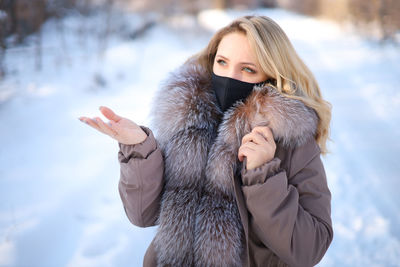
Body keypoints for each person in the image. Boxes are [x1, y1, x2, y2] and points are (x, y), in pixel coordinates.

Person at [79, 15, 333, 267]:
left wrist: (263, 176)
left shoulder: (290, 140)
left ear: (272, 76)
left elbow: (309, 249)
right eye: (222, 62)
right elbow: (142, 215)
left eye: (248, 69)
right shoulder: (187, 120)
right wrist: (139, 150)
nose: (229, 76)